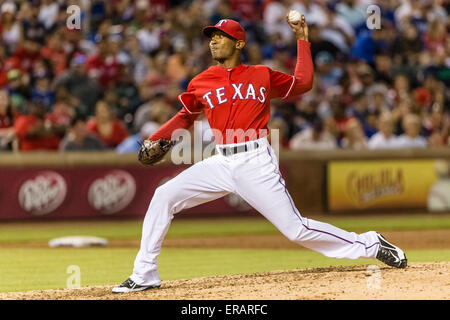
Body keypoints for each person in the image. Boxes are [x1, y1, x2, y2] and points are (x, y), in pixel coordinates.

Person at [112, 16, 407, 294]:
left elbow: (301, 83)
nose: (214, 41)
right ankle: (144, 273)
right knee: (164, 196)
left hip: (255, 160)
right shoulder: (201, 81)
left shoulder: (261, 75)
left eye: (221, 36)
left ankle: (370, 243)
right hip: (221, 160)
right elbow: (185, 116)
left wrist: (302, 40)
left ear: (239, 43)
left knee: (296, 230)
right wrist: (158, 138)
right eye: (212, 37)